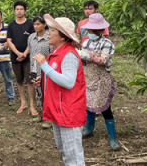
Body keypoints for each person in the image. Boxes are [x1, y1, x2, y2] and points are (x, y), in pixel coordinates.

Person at [33, 14, 86, 166]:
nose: (48, 33)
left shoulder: (68, 55)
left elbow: (69, 82)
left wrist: (44, 66)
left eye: (52, 30)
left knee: (73, 155)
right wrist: (43, 80)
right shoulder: (56, 53)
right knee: (65, 150)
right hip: (59, 110)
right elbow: (56, 76)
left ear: (63, 36)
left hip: (68, 112)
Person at [78, 13, 120, 150]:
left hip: (101, 78)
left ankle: (112, 138)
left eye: (91, 31)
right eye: (88, 31)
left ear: (99, 31)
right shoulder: (86, 42)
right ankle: (89, 130)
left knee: (105, 108)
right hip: (88, 77)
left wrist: (87, 56)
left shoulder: (107, 43)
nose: (89, 33)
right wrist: (82, 56)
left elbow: (103, 61)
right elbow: (83, 60)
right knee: (88, 105)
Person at [7, 1, 36, 116]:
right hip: (15, 58)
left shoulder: (30, 24)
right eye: (17, 9)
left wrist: (24, 53)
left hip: (29, 58)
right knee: (19, 81)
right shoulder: (11, 25)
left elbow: (33, 40)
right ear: (14, 11)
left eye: (21, 9)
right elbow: (9, 41)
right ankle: (23, 103)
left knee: (30, 82)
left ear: (25, 11)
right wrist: (18, 53)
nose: (19, 11)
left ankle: (32, 106)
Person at [28, 15, 54, 128]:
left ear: (45, 24)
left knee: (47, 93)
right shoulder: (31, 37)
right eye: (34, 24)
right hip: (34, 69)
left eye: (38, 24)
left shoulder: (50, 37)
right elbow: (30, 52)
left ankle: (49, 117)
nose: (36, 26)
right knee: (39, 92)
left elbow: (53, 55)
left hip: (46, 70)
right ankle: (43, 114)